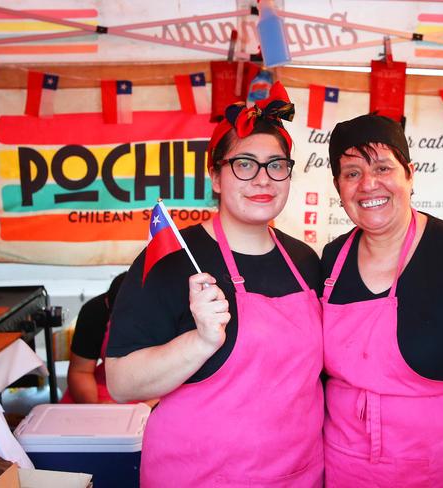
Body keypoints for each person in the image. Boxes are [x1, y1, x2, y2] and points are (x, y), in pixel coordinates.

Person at [105, 82, 324, 488]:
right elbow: (120, 382)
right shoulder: (173, 260)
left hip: (298, 474)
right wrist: (201, 341)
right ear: (216, 176)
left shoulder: (306, 261)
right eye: (245, 164)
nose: (263, 179)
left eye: (276, 165)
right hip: (198, 475)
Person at [320, 114, 443, 487]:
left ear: (409, 174)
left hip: (441, 466)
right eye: (351, 173)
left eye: (383, 167)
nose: (368, 184)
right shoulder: (332, 259)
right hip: (346, 464)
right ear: (338, 186)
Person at [61, 272, 126, 404]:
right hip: (107, 385)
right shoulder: (94, 312)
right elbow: (81, 371)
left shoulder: (172, 310)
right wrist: (95, 407)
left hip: (160, 385)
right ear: (107, 302)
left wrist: (149, 405)